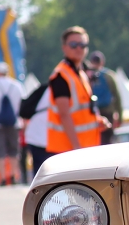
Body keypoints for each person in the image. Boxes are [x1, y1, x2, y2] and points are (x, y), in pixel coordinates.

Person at [45, 26, 106, 159]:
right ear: (64, 48)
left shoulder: (80, 74)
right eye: (74, 44)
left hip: (84, 149)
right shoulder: (61, 76)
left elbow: (82, 110)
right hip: (68, 152)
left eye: (82, 45)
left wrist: (98, 121)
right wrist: (77, 150)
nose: (79, 48)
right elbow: (64, 114)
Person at [86, 51, 122, 144]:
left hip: (93, 112)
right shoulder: (109, 75)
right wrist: (120, 116)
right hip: (108, 112)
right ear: (102, 62)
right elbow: (117, 97)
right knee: (107, 141)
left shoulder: (86, 75)